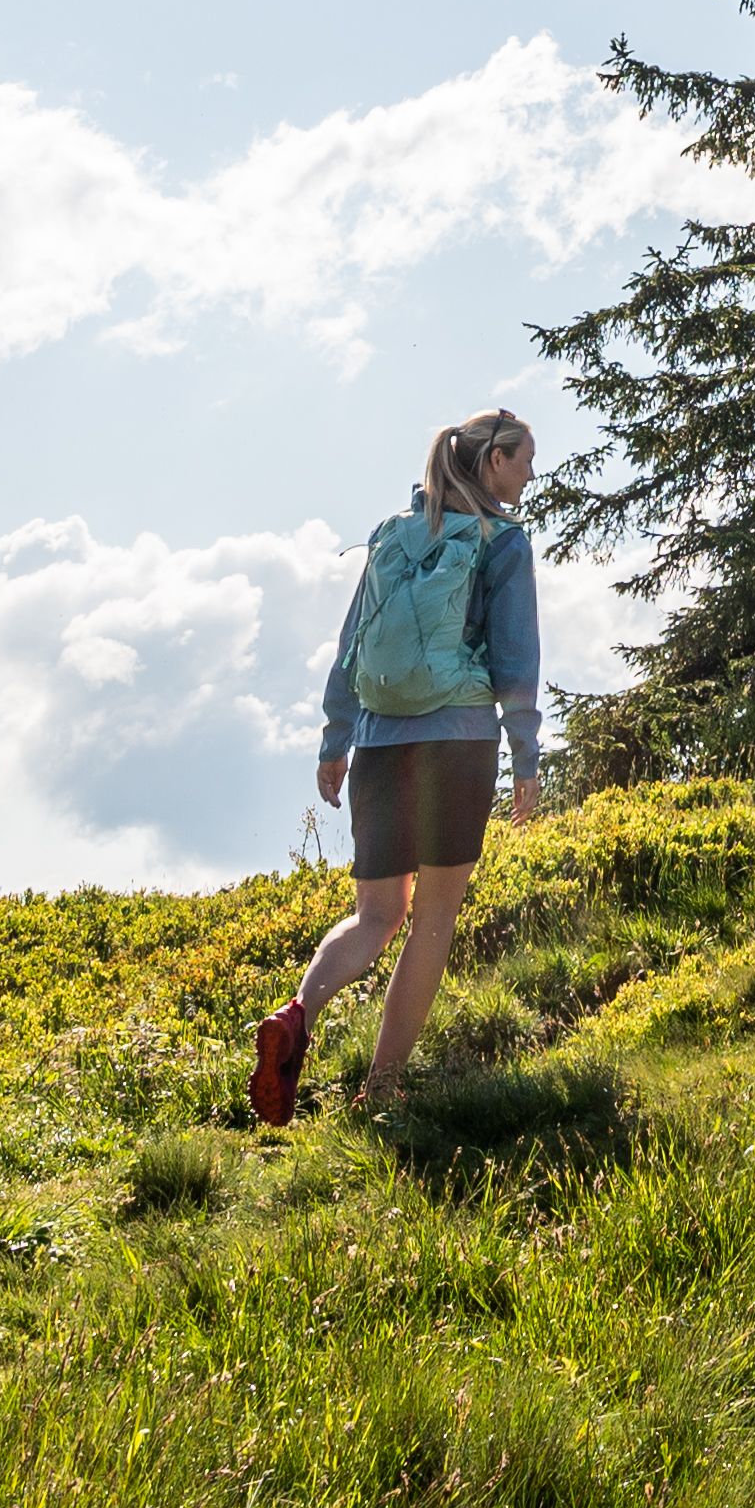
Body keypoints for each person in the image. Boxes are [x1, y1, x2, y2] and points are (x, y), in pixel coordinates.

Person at [250, 409, 546, 1124]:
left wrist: (335, 740)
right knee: (434, 918)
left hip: (381, 746)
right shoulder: (502, 542)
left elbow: (350, 644)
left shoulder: (390, 534)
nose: (531, 474)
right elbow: (515, 660)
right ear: (494, 461)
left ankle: (296, 1015)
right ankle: (381, 1092)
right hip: (457, 745)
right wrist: (525, 754)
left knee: (374, 916)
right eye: (525, 460)